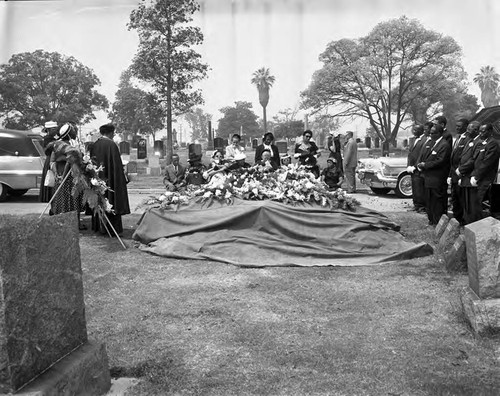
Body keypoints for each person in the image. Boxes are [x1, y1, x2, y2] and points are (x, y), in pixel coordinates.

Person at [89, 123, 130, 235]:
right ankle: (112, 229)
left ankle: (99, 227)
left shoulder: (95, 144)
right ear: (111, 132)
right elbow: (116, 165)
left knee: (99, 201)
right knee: (111, 201)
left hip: (98, 178)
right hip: (111, 179)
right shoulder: (111, 145)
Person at [48, 122, 85, 229]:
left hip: (59, 176)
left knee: (61, 199)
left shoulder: (56, 145)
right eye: (73, 131)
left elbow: (52, 162)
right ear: (69, 134)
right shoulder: (69, 148)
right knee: (73, 199)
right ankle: (74, 224)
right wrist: (63, 176)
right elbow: (69, 163)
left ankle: (61, 222)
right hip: (68, 178)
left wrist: (57, 175)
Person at [417, 124, 451, 226]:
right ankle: (431, 219)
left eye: (433, 133)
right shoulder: (432, 143)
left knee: (437, 201)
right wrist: (420, 164)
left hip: (437, 178)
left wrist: (425, 165)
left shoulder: (444, 145)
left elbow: (440, 161)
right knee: (429, 200)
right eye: (430, 133)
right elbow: (424, 155)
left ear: (439, 133)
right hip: (428, 178)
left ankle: (438, 222)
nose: (430, 135)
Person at [465, 123, 500, 223]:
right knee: (475, 202)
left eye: (483, 131)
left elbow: (487, 162)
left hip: (485, 178)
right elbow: (475, 159)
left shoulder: (493, 144)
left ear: (490, 132)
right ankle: (474, 223)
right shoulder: (482, 142)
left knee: (478, 202)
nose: (480, 133)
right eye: (479, 131)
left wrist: (476, 176)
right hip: (478, 177)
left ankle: (478, 225)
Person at [456, 121, 482, 225]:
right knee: (466, 204)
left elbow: (473, 159)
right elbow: (463, 157)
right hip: (465, 177)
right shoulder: (470, 140)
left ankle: (473, 225)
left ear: (476, 130)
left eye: (469, 130)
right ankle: (468, 224)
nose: (467, 132)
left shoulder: (479, 142)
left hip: (471, 176)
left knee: (472, 205)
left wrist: (461, 169)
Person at [447, 118, 469, 225]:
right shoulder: (458, 138)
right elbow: (453, 158)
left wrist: (460, 174)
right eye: (456, 126)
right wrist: (450, 175)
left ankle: (462, 222)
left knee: (461, 200)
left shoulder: (467, 139)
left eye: (459, 126)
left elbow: (464, 158)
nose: (457, 128)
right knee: (455, 199)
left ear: (466, 127)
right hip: (454, 175)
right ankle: (456, 221)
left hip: (461, 175)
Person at [406, 124, 427, 213]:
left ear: (421, 130)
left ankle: (421, 206)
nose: (414, 131)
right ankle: (416, 205)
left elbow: (421, 155)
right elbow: (410, 154)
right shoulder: (414, 139)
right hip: (411, 168)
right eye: (413, 130)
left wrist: (415, 166)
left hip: (418, 168)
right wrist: (408, 165)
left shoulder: (424, 140)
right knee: (414, 187)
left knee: (419, 188)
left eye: (416, 130)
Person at [39, 120, 59, 203]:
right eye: (54, 129)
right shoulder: (48, 139)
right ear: (49, 130)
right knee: (50, 177)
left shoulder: (53, 139)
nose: (55, 131)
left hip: (52, 158)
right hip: (50, 159)